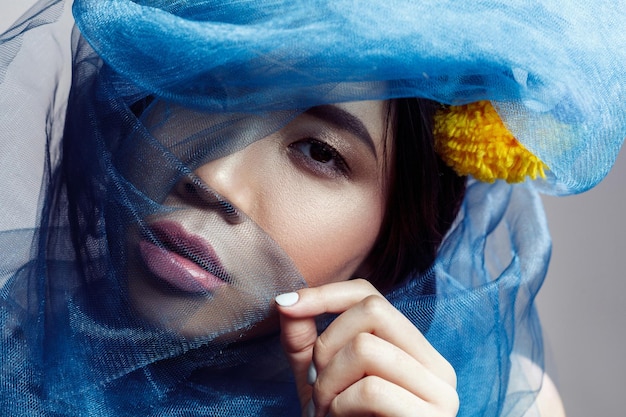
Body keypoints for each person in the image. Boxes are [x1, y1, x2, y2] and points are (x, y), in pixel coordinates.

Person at [1, 1, 624, 416]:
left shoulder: (503, 402)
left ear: (396, 237)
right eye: (209, 90)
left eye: (319, 153)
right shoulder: (14, 352)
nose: (212, 176)